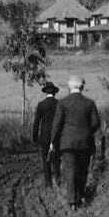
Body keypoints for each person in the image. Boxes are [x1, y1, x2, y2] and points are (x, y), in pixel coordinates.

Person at [50, 75, 101, 209]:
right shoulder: (89, 103)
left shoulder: (62, 103)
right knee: (82, 169)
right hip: (85, 142)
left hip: (67, 142)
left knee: (70, 170)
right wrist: (87, 131)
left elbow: (56, 125)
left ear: (69, 87)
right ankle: (80, 195)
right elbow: (96, 123)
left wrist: (53, 141)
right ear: (82, 87)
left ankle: (72, 200)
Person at [31, 81, 60, 187]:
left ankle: (48, 183)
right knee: (56, 158)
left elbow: (36, 123)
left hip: (44, 136)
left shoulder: (41, 105)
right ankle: (58, 180)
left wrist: (34, 137)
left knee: (45, 159)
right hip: (56, 135)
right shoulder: (59, 104)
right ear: (54, 93)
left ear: (45, 92)